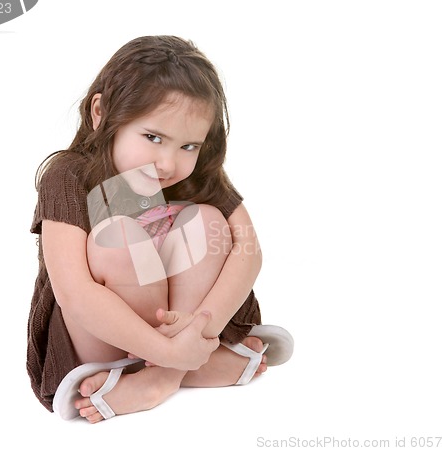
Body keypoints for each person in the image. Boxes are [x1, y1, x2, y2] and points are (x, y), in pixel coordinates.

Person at [27, 35, 294, 424]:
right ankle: (179, 369)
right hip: (99, 339)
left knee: (207, 221)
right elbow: (74, 292)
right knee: (118, 235)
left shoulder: (196, 174)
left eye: (189, 146)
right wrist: (169, 352)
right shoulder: (68, 175)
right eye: (153, 138)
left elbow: (248, 249)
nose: (168, 163)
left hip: (183, 331)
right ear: (101, 112)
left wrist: (200, 331)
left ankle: (169, 375)